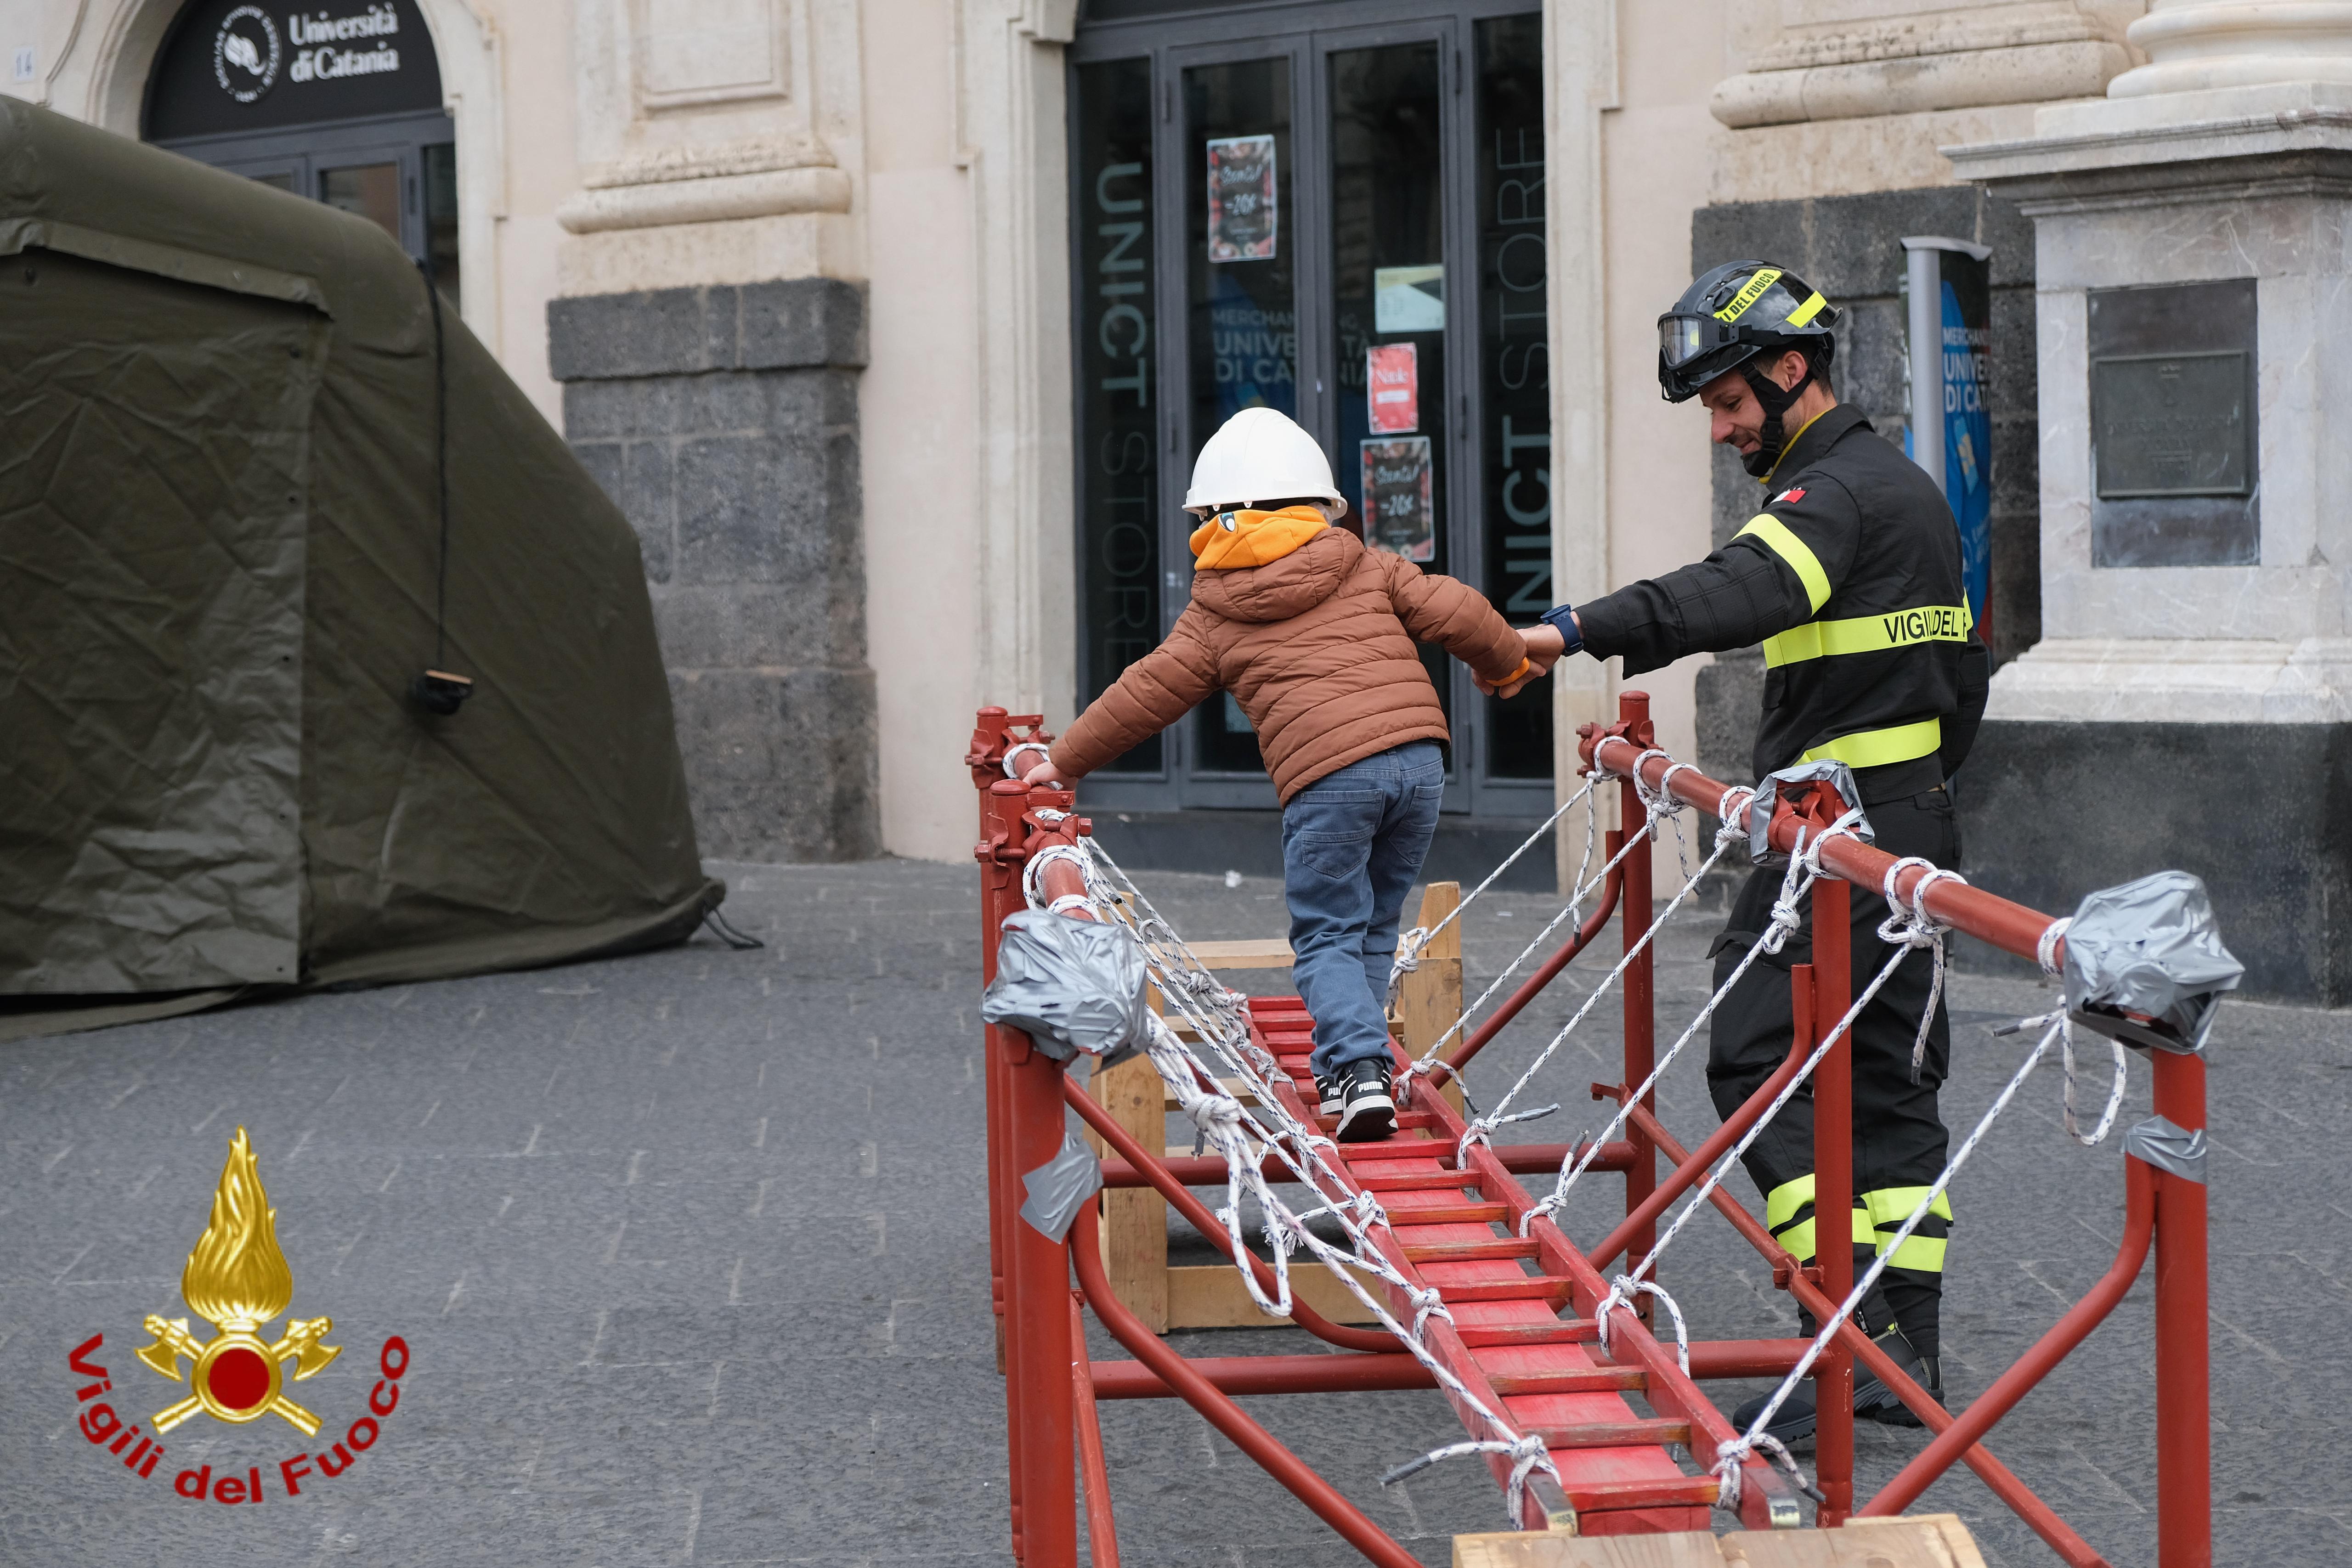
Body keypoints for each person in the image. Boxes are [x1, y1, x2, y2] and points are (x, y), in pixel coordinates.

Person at [1490, 261, 1990, 1438]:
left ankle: (1853, 1329)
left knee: (1758, 1057)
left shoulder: (1831, 497)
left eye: (1727, 404)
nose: (1720, 432)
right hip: (1895, 813)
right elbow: (1962, 680)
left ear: (1791, 369)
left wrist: (1565, 632)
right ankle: (1895, 1347)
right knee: (1883, 1078)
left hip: (1843, 826)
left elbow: (1735, 594)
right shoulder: (1902, 486)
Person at [1023, 407, 1530, 1141]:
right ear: (1319, 506)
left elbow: (1143, 696)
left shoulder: (1214, 613)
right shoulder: (1367, 563)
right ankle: (1366, 1065)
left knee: (1326, 931)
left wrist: (1060, 762)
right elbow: (1455, 609)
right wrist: (1505, 663)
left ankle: (1355, 1073)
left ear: (1212, 518)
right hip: (1420, 763)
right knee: (1374, 919)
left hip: (1328, 779)